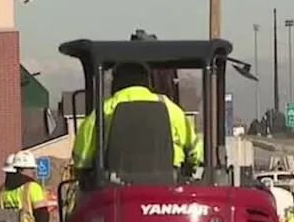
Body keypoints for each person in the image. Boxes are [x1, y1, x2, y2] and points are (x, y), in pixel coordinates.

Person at [70, 62, 200, 172]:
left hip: (113, 191)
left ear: (116, 81)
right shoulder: (169, 108)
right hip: (168, 190)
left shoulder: (103, 111)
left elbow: (81, 159)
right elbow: (196, 151)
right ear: (146, 80)